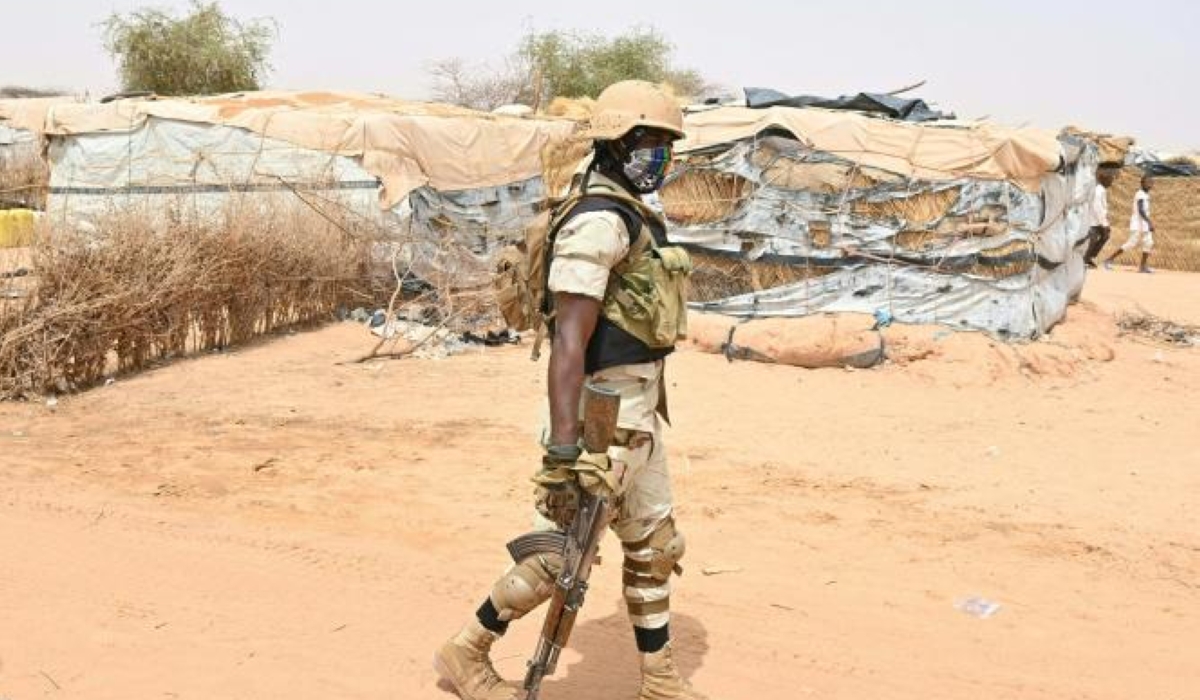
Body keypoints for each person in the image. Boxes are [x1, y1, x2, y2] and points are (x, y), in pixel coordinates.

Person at [434, 80, 710, 700]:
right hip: (598, 418)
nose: (661, 155)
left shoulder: (636, 215)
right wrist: (564, 454)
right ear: (616, 144)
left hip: (640, 413)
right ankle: (467, 649)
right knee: (559, 556)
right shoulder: (597, 222)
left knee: (655, 546)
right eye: (649, 141)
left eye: (667, 144)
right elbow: (567, 342)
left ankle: (660, 681)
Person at [1104, 174, 1156, 273]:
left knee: (1148, 242)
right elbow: (1141, 210)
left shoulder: (1146, 195)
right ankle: (1109, 259)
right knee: (1131, 243)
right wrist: (1149, 222)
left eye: (1151, 183)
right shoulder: (1140, 194)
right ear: (1142, 183)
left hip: (1144, 223)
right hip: (1138, 223)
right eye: (1147, 182)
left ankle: (1143, 266)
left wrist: (1147, 222)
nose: (1150, 184)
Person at [1082, 169, 1115, 267]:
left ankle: (1088, 258)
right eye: (1110, 179)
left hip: (1096, 221)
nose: (1111, 182)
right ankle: (1085, 259)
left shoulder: (1102, 190)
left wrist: (1105, 223)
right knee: (1093, 239)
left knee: (1104, 236)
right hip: (1093, 221)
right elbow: (1097, 208)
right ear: (1103, 179)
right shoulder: (1098, 191)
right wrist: (1104, 224)